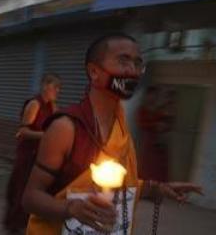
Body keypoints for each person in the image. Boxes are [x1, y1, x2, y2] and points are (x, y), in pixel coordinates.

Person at [22, 33, 202, 235]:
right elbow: (30, 197)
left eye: (137, 63)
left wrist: (156, 188)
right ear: (94, 72)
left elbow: (119, 186)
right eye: (123, 61)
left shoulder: (121, 125)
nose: (132, 71)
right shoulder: (66, 127)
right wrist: (70, 208)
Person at [4, 74, 60, 233]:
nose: (58, 90)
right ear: (45, 86)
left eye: (59, 87)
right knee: (21, 188)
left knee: (36, 190)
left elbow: (55, 123)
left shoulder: (52, 106)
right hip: (27, 153)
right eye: (55, 87)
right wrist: (45, 135)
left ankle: (29, 222)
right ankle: (15, 224)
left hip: (42, 155)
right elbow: (22, 131)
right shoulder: (34, 104)